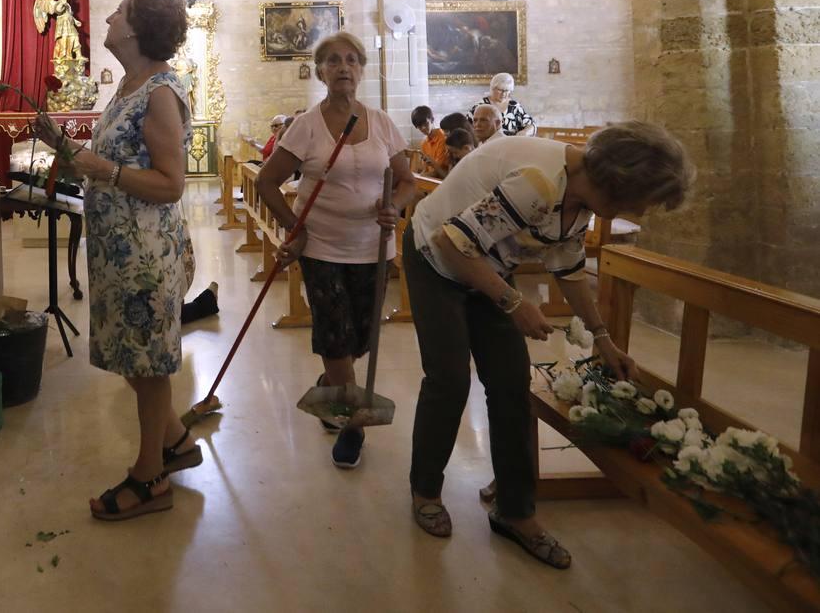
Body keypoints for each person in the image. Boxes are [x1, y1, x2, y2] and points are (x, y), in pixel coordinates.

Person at [402, 122, 693, 568]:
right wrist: (513, 301)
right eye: (644, 200)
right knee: (449, 379)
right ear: (618, 184)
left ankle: (516, 512)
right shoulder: (539, 182)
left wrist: (602, 338)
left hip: (486, 265)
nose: (645, 212)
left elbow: (568, 267)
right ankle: (425, 490)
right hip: (436, 259)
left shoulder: (582, 196)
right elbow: (452, 243)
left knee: (510, 386)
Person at [34, 0, 199, 522]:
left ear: (137, 28)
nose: (107, 18)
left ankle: (150, 477)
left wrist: (104, 169)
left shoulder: (160, 92)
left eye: (119, 11)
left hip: (146, 254)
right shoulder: (129, 86)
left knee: (148, 367)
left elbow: (171, 183)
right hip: (119, 252)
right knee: (134, 358)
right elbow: (104, 162)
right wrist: (60, 142)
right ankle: (175, 439)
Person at [258, 31, 418, 468]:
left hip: (373, 247)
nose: (343, 67)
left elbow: (407, 181)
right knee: (334, 331)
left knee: (360, 337)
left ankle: (333, 380)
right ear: (321, 71)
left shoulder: (382, 122)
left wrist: (394, 207)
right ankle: (352, 426)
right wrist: (296, 228)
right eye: (333, 60)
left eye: (351, 60)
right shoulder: (306, 125)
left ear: (362, 69)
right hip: (323, 246)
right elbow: (266, 182)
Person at [470, 72, 535, 136]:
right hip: (487, 144)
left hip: (510, 144)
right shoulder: (481, 106)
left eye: (506, 90)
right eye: (500, 90)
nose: (503, 94)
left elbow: (531, 124)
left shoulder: (514, 106)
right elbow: (468, 127)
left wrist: (525, 132)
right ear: (492, 88)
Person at [412, 106, 448, 174]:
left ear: (432, 119)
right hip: (430, 177)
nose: (423, 128)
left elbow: (437, 170)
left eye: (426, 123)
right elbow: (425, 169)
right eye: (419, 126)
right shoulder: (424, 143)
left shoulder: (442, 138)